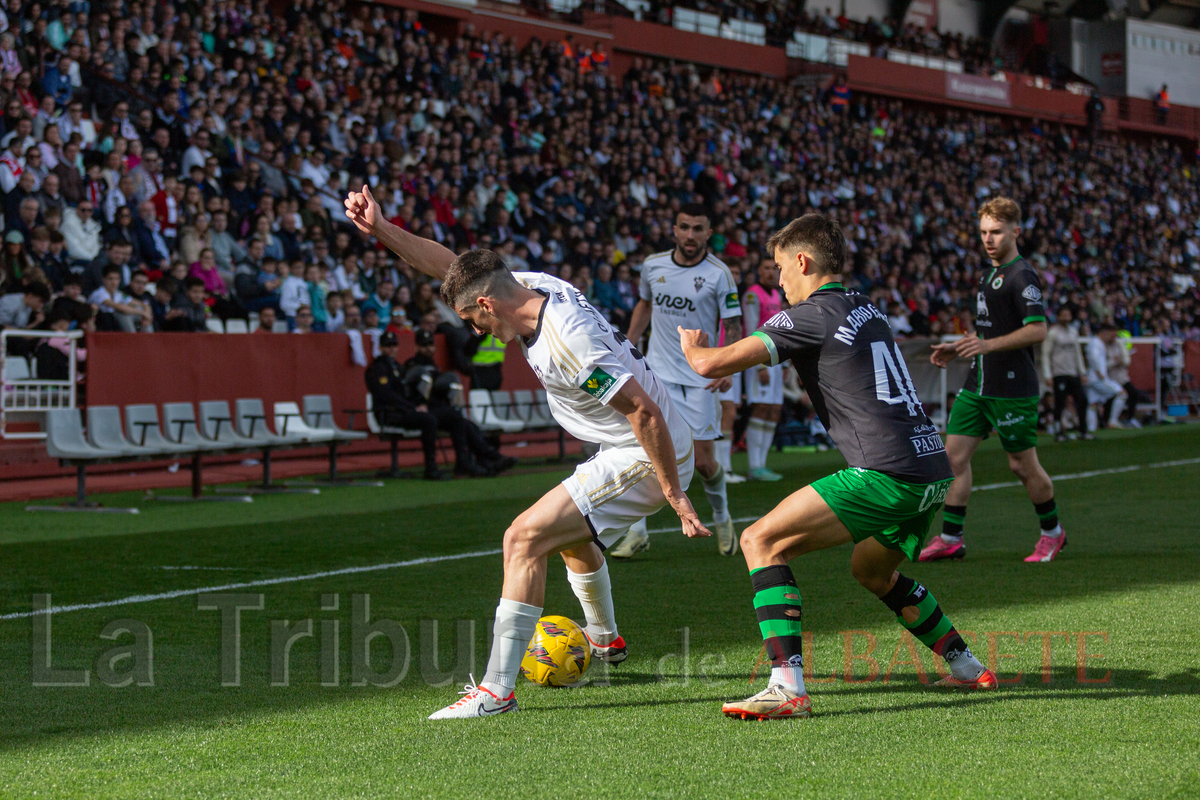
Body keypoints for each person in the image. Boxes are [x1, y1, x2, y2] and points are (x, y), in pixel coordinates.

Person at [345, 184, 706, 720]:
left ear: (488, 304)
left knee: (523, 537)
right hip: (628, 441)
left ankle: (495, 691)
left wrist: (675, 496)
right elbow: (453, 268)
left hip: (646, 452)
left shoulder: (569, 341)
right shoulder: (531, 285)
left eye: (473, 319)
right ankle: (604, 640)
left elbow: (642, 413)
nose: (474, 329)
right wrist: (382, 230)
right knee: (569, 535)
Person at [678, 213, 995, 721]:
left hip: (886, 471)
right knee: (871, 570)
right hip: (932, 470)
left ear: (802, 261)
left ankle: (786, 687)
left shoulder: (809, 314)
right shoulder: (865, 307)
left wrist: (693, 348)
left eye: (780, 268)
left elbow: (710, 364)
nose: (778, 281)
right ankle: (965, 663)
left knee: (760, 541)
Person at [921, 197, 1065, 564]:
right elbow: (990, 330)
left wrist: (984, 346)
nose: (989, 239)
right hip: (978, 385)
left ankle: (1052, 533)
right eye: (984, 232)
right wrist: (959, 346)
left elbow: (1037, 331)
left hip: (1012, 387)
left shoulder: (1022, 276)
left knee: (1021, 465)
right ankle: (952, 538)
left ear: (1015, 232)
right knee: (952, 460)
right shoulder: (989, 273)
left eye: (997, 232)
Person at [618, 203, 741, 557]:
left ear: (707, 233)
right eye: (684, 227)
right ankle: (637, 532)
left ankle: (722, 517)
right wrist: (627, 345)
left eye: (698, 228)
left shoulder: (720, 274)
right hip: (657, 373)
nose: (690, 235)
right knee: (646, 449)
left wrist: (727, 365)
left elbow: (731, 324)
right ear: (674, 230)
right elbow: (644, 306)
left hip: (699, 376)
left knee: (703, 461)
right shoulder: (653, 265)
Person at [402, 327, 516, 476]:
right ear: (416, 346)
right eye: (424, 345)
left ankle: (483, 460)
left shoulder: (434, 366)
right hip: (422, 410)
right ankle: (482, 459)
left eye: (430, 344)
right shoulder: (412, 365)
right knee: (458, 419)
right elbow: (409, 391)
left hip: (436, 409)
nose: (428, 349)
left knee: (467, 424)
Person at [741, 257, 786, 481]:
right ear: (758, 271)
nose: (770, 273)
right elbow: (750, 330)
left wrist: (784, 363)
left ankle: (763, 464)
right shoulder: (752, 295)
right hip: (759, 360)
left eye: (774, 269)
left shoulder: (777, 294)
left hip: (776, 359)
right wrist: (759, 365)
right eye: (766, 268)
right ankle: (754, 466)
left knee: (774, 409)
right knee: (761, 407)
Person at [1041, 308, 1090, 442]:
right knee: (1060, 403)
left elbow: (1077, 353)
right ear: (1058, 317)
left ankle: (1083, 431)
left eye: (1068, 315)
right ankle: (1059, 432)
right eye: (1064, 315)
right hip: (1059, 373)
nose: (1066, 318)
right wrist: (1048, 375)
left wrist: (1082, 372)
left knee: (1082, 400)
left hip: (1072, 372)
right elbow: (1046, 354)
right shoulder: (1053, 333)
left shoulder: (1073, 332)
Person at [1085, 323, 1125, 431]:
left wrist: (1112, 362)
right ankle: (1112, 421)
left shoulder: (1096, 343)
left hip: (1093, 378)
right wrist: (1098, 372)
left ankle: (1091, 429)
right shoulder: (1096, 343)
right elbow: (1093, 357)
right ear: (1104, 332)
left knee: (1092, 404)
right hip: (1098, 378)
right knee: (1122, 393)